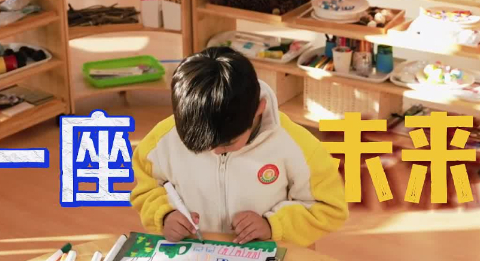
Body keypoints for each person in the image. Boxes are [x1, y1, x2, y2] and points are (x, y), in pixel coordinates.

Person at [131, 46, 347, 246]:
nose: (214, 151)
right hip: (196, 258)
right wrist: (164, 215)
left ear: (259, 110)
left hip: (272, 259)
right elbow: (147, 189)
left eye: (228, 143)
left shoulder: (296, 145)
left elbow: (329, 208)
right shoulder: (161, 140)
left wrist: (272, 226)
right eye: (200, 146)